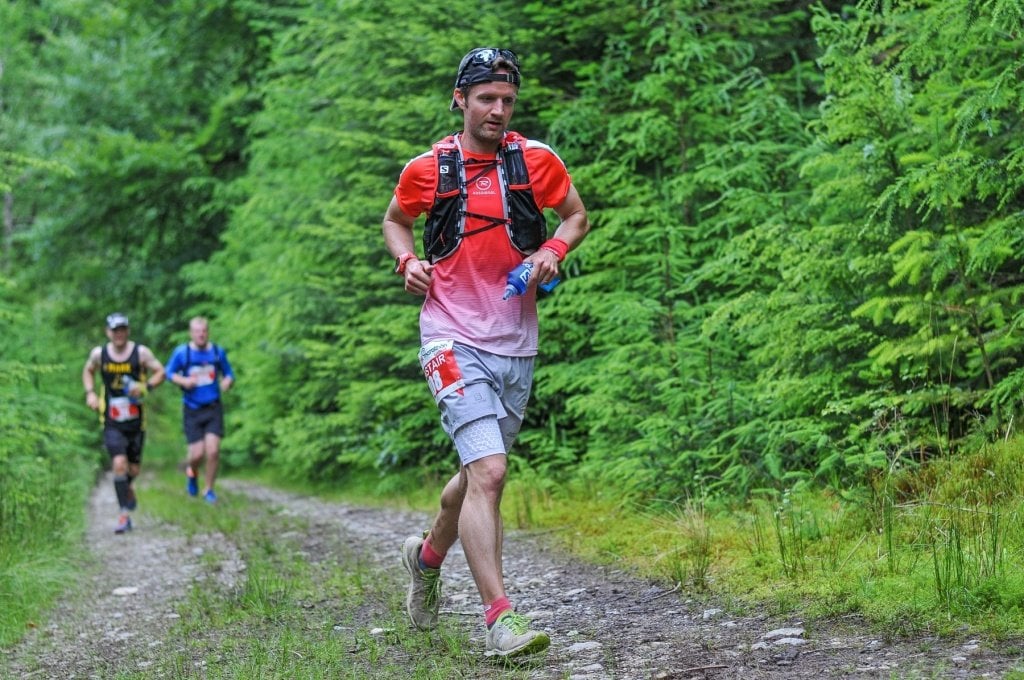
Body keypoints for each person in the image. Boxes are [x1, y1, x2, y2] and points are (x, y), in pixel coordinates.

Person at [382, 47, 590, 659]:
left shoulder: (535, 161)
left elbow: (576, 216)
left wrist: (554, 248)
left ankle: (425, 559)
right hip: (447, 336)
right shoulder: (428, 168)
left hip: (515, 342)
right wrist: (407, 260)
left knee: (477, 477)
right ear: (461, 100)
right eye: (486, 100)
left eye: (507, 101)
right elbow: (395, 220)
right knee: (492, 473)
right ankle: (502, 619)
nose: (498, 110)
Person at [82, 312, 166, 533]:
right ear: (108, 332)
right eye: (115, 330)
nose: (119, 334)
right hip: (111, 420)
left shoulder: (141, 353)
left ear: (127, 331)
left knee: (134, 469)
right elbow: (88, 371)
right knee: (119, 464)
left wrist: (146, 387)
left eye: (123, 329)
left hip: (137, 421)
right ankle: (123, 515)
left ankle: (128, 487)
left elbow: (160, 372)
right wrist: (90, 393)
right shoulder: (99, 354)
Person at [165, 316, 235, 504]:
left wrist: (228, 381)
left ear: (208, 332)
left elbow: (228, 372)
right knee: (196, 455)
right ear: (191, 333)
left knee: (213, 452)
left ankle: (209, 490)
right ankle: (192, 473)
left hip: (213, 407)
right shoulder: (183, 353)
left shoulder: (217, 352)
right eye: (197, 331)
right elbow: (168, 373)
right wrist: (184, 381)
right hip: (192, 409)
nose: (201, 335)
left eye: (204, 331)